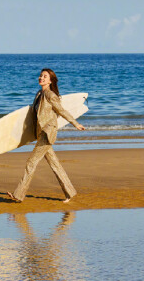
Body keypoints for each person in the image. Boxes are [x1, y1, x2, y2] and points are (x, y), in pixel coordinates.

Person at [7, 68, 85, 203]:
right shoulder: (39, 94)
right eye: (40, 76)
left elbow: (61, 111)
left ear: (50, 81)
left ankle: (19, 195)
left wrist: (75, 123)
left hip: (47, 133)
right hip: (39, 133)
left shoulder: (50, 95)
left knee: (31, 162)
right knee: (55, 164)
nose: (41, 78)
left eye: (44, 76)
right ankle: (70, 192)